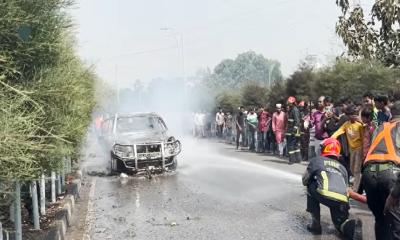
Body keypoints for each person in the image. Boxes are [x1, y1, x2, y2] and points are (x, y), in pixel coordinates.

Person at [302, 138, 363, 239]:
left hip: (323, 193)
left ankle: (315, 224)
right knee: (340, 224)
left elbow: (305, 180)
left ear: (324, 149)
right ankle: (352, 228)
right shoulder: (343, 167)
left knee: (310, 185)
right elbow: (347, 187)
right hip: (342, 199)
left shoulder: (317, 160)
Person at [362, 101, 400, 240]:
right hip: (391, 174)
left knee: (381, 219)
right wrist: (394, 194)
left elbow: (368, 153)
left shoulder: (380, 127)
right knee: (397, 224)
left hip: (368, 174)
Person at [332, 105, 364, 192]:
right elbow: (339, 131)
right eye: (351, 114)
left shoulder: (360, 125)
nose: (353, 116)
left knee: (357, 169)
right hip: (351, 149)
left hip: (359, 149)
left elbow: (364, 138)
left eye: (355, 114)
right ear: (348, 115)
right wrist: (331, 139)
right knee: (352, 169)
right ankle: (354, 186)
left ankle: (355, 189)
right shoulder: (346, 124)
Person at [286, 96, 302, 164]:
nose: (288, 104)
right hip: (294, 130)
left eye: (289, 103)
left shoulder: (294, 110)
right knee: (295, 145)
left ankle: (291, 160)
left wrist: (294, 130)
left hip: (293, 130)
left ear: (292, 103)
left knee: (291, 145)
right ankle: (298, 159)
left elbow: (297, 121)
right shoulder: (292, 109)